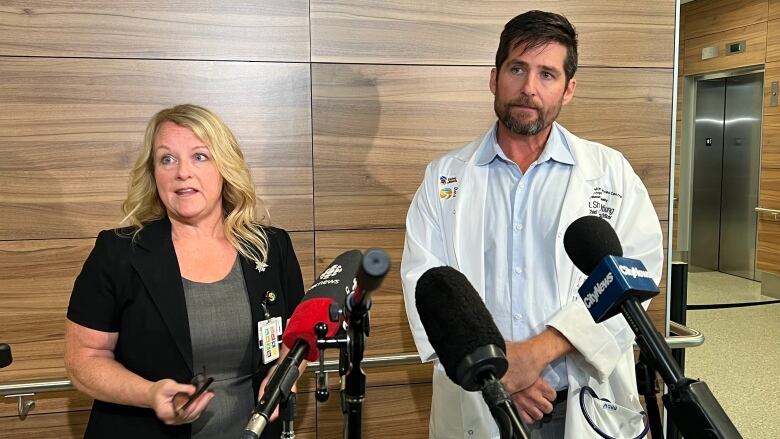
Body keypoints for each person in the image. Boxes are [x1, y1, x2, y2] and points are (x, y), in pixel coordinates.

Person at [401, 10, 664, 439]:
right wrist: (500, 373)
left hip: (582, 401)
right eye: (517, 69)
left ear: (569, 89)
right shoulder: (444, 178)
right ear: (494, 77)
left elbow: (636, 275)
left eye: (547, 74)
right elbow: (426, 286)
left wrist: (539, 352)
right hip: (480, 400)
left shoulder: (609, 173)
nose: (529, 88)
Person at [64, 104, 305, 438]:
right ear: (154, 174)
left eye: (200, 156)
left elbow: (299, 336)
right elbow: (83, 360)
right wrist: (149, 394)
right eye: (167, 159)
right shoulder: (118, 253)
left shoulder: (271, 246)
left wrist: (283, 375)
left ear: (225, 166)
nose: (182, 172)